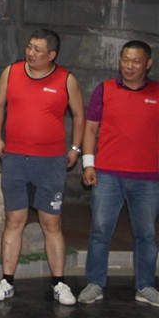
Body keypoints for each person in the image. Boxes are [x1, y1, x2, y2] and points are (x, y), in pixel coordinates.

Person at [0, 28, 85, 306]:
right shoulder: (11, 72)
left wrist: (75, 148)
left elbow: (79, 114)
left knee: (51, 223)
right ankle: (7, 280)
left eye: (38, 50)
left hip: (51, 162)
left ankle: (59, 283)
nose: (30, 53)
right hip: (16, 159)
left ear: (52, 55)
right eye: (29, 47)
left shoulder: (66, 79)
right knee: (14, 220)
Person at [77, 41, 159, 307]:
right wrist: (88, 164)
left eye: (136, 61)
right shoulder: (104, 90)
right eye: (125, 60)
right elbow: (90, 129)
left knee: (146, 234)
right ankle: (94, 283)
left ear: (148, 64)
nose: (129, 66)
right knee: (100, 231)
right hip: (107, 175)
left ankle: (145, 286)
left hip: (149, 178)